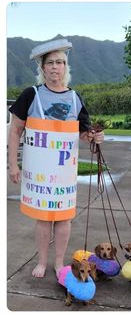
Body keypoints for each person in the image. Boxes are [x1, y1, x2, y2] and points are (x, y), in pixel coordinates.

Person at [8, 39, 104, 278]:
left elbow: (84, 133)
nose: (55, 67)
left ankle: (59, 263)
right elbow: (15, 130)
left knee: (63, 218)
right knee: (43, 218)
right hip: (39, 172)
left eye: (60, 62)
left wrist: (95, 137)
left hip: (64, 172)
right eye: (50, 63)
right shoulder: (32, 95)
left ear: (66, 67)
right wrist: (12, 163)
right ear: (42, 68)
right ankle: (41, 261)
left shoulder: (74, 98)